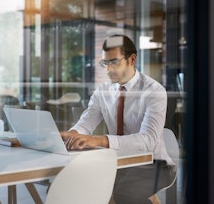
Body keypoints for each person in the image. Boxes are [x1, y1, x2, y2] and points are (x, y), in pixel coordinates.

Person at [61, 34, 176, 203]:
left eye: (114, 62)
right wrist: (71, 135)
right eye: (105, 63)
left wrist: (100, 141)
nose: (108, 69)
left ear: (132, 59)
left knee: (125, 194)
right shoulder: (103, 91)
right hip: (117, 161)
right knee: (70, 185)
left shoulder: (154, 91)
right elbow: (86, 123)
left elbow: (148, 141)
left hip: (154, 163)